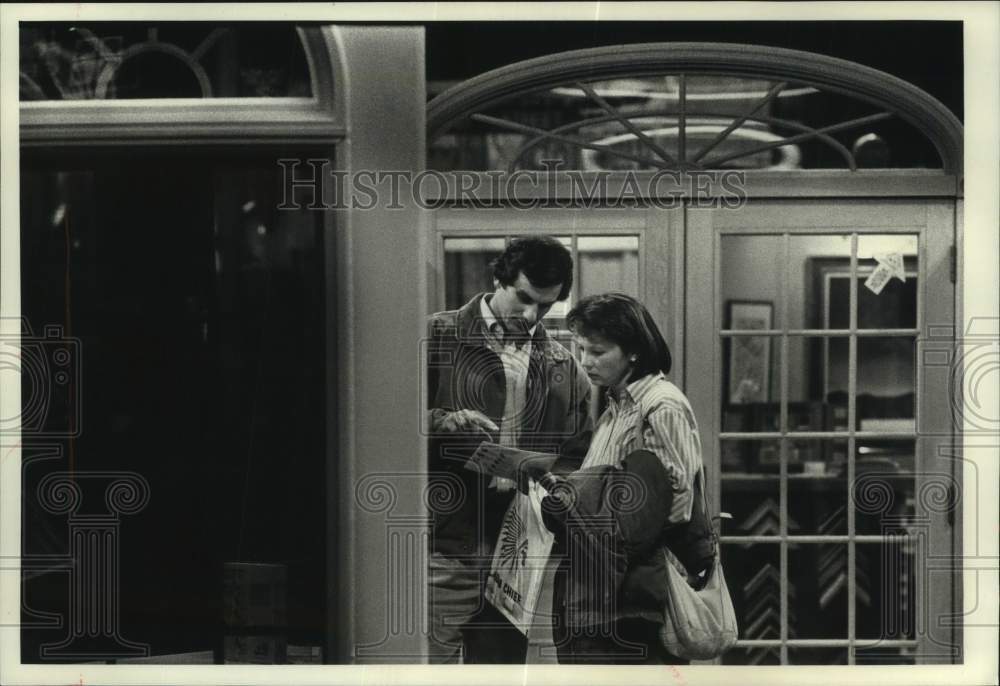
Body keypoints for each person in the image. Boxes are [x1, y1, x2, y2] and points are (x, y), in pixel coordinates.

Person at [425, 235, 592, 664]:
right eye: (524, 298)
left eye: (546, 306)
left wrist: (560, 486)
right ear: (499, 278)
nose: (532, 314)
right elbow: (379, 428)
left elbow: (578, 453)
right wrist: (441, 421)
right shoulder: (436, 336)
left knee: (499, 669)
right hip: (447, 537)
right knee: (425, 667)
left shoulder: (561, 365)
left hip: (518, 543)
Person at [539, 293, 715, 664]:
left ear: (634, 351)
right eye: (581, 349)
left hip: (633, 594)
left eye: (598, 352)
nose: (585, 362)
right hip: (604, 585)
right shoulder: (617, 405)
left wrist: (586, 511)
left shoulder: (660, 405)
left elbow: (676, 506)